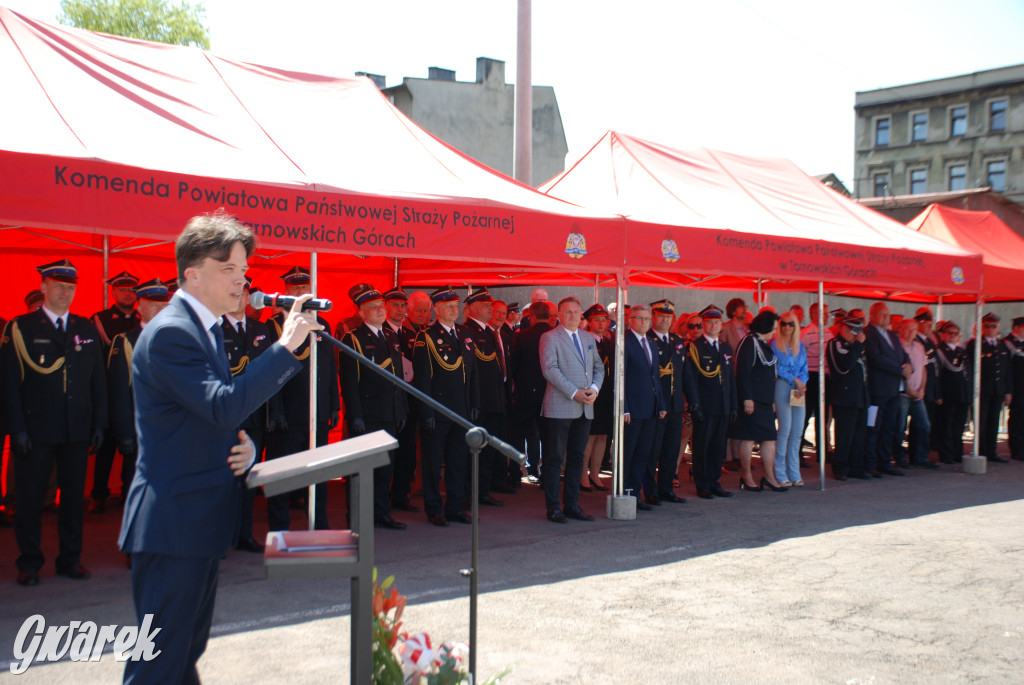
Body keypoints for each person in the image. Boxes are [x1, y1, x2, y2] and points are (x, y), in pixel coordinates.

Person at [118, 212, 319, 683]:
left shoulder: (203, 328)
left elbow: (205, 415)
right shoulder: (172, 332)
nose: (241, 280)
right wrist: (286, 347)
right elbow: (223, 404)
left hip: (196, 523)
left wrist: (242, 447)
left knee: (183, 654)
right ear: (191, 272)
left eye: (243, 270)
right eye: (228, 268)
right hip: (173, 526)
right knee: (157, 665)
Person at [3, 258, 107, 586]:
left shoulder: (84, 328)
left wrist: (100, 423)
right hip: (36, 429)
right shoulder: (21, 328)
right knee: (31, 499)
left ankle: (69, 559)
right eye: (59, 287)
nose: (65, 293)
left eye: (70, 288)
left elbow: (98, 382)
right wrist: (16, 428)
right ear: (43, 288)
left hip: (77, 427)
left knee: (73, 498)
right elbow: (7, 384)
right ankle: (30, 562)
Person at [264, 266, 339, 530]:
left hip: (317, 412)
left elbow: (329, 368)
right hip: (289, 413)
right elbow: (269, 373)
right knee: (282, 472)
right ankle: (279, 526)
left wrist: (333, 405)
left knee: (318, 473)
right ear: (285, 294)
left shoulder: (323, 324)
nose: (300, 294)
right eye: (294, 290)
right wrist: (277, 410)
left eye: (304, 289)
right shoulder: (274, 326)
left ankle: (319, 524)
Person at [339, 285, 409, 530]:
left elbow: (397, 376)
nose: (380, 311)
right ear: (361, 312)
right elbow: (350, 381)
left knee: (384, 467)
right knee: (362, 469)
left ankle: (381, 512)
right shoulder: (353, 338)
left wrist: (400, 409)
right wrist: (355, 415)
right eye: (374, 308)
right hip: (367, 414)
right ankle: (357, 515)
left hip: (389, 412)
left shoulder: (390, 336)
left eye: (381, 306)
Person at [221, 277, 281, 551]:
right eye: (234, 291)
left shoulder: (260, 329)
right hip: (226, 415)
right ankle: (220, 537)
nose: (240, 297)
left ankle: (244, 534)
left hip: (256, 416)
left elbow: (271, 372)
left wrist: (275, 411)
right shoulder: (212, 328)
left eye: (244, 293)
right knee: (222, 480)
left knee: (248, 479)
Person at [105, 279, 173, 519]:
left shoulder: (179, 340)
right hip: (140, 432)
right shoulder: (126, 341)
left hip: (173, 432)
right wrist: (124, 433)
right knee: (138, 493)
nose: (160, 310)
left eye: (164, 305)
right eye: (153, 305)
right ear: (139, 307)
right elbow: (119, 392)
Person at [413, 286, 479, 527]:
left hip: (461, 409)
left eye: (456, 305)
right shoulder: (427, 336)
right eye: (449, 306)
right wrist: (426, 412)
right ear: (437, 309)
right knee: (432, 462)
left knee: (458, 459)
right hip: (438, 410)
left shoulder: (464, 334)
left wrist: (474, 403)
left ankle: (454, 506)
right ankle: (434, 508)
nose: (454, 309)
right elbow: (422, 379)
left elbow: (472, 373)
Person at [538, 297, 604, 523]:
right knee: (555, 459)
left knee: (577, 457)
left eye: (577, 312)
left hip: (585, 407)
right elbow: (550, 369)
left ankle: (572, 505)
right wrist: (574, 392)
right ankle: (553, 507)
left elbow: (598, 367)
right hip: (560, 406)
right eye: (568, 312)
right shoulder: (549, 337)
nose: (573, 316)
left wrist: (595, 388)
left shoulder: (587, 338)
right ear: (559, 314)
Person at [88, 270, 142, 514]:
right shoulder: (100, 320)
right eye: (122, 290)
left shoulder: (142, 319)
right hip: (110, 392)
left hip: (137, 396)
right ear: (113, 292)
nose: (128, 294)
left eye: (131, 290)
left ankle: (127, 491)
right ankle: (98, 494)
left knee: (134, 448)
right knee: (108, 446)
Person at [463, 287, 512, 506]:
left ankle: (482, 490)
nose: (490, 309)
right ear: (472, 308)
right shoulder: (467, 331)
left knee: (488, 451)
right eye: (485, 305)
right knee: (474, 452)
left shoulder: (489, 332)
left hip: (494, 400)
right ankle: (471, 492)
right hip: (479, 401)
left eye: (491, 305)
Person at [647, 299, 698, 503]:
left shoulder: (677, 341)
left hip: (675, 405)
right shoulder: (647, 340)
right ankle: (650, 490)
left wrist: (692, 399)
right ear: (653, 317)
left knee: (671, 449)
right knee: (653, 451)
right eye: (660, 316)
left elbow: (685, 374)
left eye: (668, 317)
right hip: (655, 406)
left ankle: (666, 488)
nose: (664, 320)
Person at [733, 310, 786, 492]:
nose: (776, 331)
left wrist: (771, 399)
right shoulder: (749, 342)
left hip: (765, 400)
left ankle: (769, 477)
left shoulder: (764, 344)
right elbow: (743, 371)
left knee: (769, 438)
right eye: (775, 327)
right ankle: (746, 476)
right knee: (748, 438)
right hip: (752, 400)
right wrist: (747, 397)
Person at [688, 305, 736, 499]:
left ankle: (714, 481)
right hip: (706, 406)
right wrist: (695, 404)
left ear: (721, 325)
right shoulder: (696, 347)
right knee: (702, 447)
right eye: (709, 323)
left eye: (716, 322)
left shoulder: (725, 347)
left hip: (723, 405)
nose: (713, 326)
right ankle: (702, 484)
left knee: (718, 447)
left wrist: (733, 404)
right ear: (704, 325)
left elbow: (730, 378)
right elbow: (692, 379)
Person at [621, 304, 666, 510]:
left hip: (650, 407)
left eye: (647, 319)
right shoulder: (624, 341)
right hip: (632, 409)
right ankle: (625, 493)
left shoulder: (651, 342)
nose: (643, 322)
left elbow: (655, 376)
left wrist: (661, 404)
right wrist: (624, 408)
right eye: (639, 318)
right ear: (630, 320)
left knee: (644, 453)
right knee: (629, 452)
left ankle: (635, 492)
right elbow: (620, 379)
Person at [508, 301, 557, 484]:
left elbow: (514, 364)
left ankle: (514, 474)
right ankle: (547, 476)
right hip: (549, 392)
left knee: (518, 434)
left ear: (532, 316)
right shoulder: (554, 335)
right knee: (548, 436)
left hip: (525, 393)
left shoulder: (522, 336)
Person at [383, 287, 421, 512]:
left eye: (403, 305)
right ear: (386, 307)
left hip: (409, 401)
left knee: (407, 451)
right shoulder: (381, 332)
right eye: (395, 305)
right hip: (387, 401)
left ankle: (400, 494)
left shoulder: (410, 335)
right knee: (387, 452)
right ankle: (381, 497)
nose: (400, 309)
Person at [863, 302, 912, 477]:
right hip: (878, 389)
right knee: (874, 427)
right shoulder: (868, 333)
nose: (886, 318)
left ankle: (884, 462)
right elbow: (876, 359)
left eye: (887, 314)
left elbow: (903, 354)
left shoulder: (891, 334)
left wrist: (908, 365)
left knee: (888, 428)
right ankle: (869, 463)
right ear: (873, 315)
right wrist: (900, 369)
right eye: (882, 314)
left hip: (894, 389)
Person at [826, 315, 870, 480]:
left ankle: (856, 467)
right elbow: (844, 367)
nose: (858, 335)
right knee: (845, 434)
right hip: (845, 396)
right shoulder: (835, 344)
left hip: (860, 395)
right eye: (855, 331)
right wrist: (858, 345)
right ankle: (840, 467)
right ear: (844, 329)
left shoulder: (857, 346)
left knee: (859, 434)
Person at [967, 312, 1013, 463]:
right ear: (983, 327)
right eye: (988, 326)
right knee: (981, 421)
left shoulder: (1002, 344)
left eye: (994, 326)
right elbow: (972, 367)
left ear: (998, 327)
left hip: (997, 389)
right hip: (982, 389)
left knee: (994, 421)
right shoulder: (976, 344)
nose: (991, 329)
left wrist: (1007, 390)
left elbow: (1006, 370)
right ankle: (980, 450)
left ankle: (991, 451)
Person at [895, 318, 937, 469]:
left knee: (924, 425)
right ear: (901, 329)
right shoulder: (897, 345)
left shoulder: (920, 346)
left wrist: (922, 389)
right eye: (907, 329)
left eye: (913, 329)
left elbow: (923, 369)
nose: (910, 332)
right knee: (900, 427)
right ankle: (899, 458)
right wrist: (910, 390)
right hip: (903, 394)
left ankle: (920, 457)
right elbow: (900, 372)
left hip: (918, 394)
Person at [773, 310, 808, 487]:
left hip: (798, 389)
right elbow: (776, 368)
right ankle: (780, 472)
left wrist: (801, 383)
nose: (787, 327)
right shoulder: (774, 344)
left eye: (791, 324)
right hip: (783, 386)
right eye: (783, 323)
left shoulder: (799, 345)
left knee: (797, 431)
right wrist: (795, 380)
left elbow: (805, 368)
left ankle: (794, 471)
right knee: (785, 429)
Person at [580, 304, 613, 492]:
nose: (601, 323)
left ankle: (595, 473)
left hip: (607, 393)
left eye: (604, 320)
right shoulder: (586, 340)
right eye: (597, 320)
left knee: (603, 436)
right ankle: (582, 473)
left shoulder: (607, 341)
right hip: (592, 393)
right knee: (590, 436)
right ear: (589, 322)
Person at [934, 321, 971, 464]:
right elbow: (938, 375)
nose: (952, 336)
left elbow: (968, 372)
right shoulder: (940, 350)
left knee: (959, 425)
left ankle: (957, 452)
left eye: (955, 333)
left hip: (962, 394)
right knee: (946, 425)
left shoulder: (961, 351)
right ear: (943, 334)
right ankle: (946, 454)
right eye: (949, 333)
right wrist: (939, 394)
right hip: (948, 394)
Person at [800, 302, 828, 457]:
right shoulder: (806, 333)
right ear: (815, 314)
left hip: (825, 377)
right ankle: (798, 451)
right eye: (823, 313)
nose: (826, 316)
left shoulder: (829, 332)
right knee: (806, 415)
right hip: (811, 376)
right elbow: (799, 355)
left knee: (823, 417)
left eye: (827, 313)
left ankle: (822, 451)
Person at [1003, 316, 1024, 461]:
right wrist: (1008, 390)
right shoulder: (1008, 343)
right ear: (1017, 328)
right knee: (1017, 418)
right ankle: (1016, 449)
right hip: (1017, 388)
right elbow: (1006, 369)